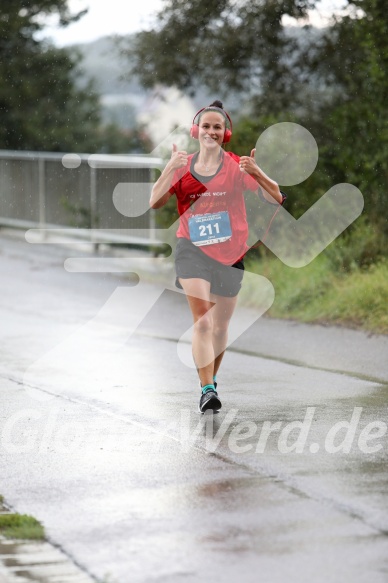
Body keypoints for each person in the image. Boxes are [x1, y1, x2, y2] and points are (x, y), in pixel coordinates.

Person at [150, 100, 285, 413]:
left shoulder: (236, 167)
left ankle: (209, 381)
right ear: (196, 131)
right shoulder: (182, 167)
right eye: (206, 126)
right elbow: (155, 202)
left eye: (217, 127)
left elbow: (275, 196)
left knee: (222, 328)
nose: (211, 131)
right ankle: (207, 388)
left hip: (229, 253)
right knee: (203, 322)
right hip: (191, 250)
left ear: (225, 134)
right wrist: (170, 167)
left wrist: (257, 171)